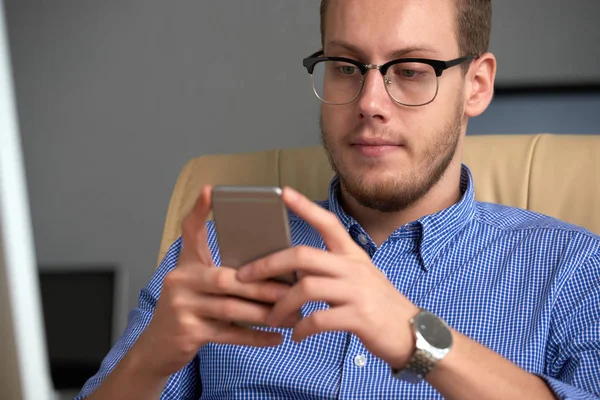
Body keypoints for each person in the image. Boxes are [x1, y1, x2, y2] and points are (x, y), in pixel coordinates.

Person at [76, 0, 600, 399]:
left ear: (476, 86)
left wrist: (417, 338)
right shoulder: (216, 251)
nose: (369, 104)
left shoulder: (573, 268)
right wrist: (151, 358)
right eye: (347, 67)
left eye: (412, 70)